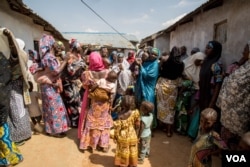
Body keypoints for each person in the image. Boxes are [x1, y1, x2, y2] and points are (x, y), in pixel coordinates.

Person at [216, 41, 250, 150]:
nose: (242, 52)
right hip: (229, 117)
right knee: (226, 144)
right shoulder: (245, 66)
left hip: (240, 119)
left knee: (236, 147)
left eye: (245, 50)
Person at [3, 29, 32, 146]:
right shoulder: (17, 58)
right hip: (16, 87)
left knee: (19, 110)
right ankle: (21, 135)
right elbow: (15, 52)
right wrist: (10, 37)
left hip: (16, 86)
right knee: (18, 110)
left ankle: (21, 134)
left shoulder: (19, 58)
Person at [78, 51, 112, 153]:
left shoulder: (86, 74)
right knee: (103, 121)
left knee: (91, 121)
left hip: (92, 101)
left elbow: (85, 86)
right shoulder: (108, 72)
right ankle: (103, 144)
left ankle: (89, 143)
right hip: (104, 101)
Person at [38, 34, 70, 138]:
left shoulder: (46, 57)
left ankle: (50, 129)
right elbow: (56, 72)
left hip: (46, 86)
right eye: (54, 42)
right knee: (55, 108)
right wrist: (65, 60)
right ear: (50, 44)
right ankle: (56, 131)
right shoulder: (50, 58)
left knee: (49, 108)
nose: (56, 44)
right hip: (50, 87)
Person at [0, 27, 24, 166]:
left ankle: (7, 157)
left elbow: (14, 58)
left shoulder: (2, 59)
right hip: (4, 96)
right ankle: (9, 155)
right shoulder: (2, 59)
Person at [156, 46, 184, 137]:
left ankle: (162, 126)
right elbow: (180, 76)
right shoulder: (181, 64)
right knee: (171, 110)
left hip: (162, 85)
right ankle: (169, 130)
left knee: (161, 107)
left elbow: (160, 71)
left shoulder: (166, 61)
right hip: (173, 88)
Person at [60, 38, 86, 128]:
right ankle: (73, 121)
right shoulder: (69, 56)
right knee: (71, 102)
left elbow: (82, 70)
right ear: (75, 46)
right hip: (68, 84)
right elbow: (71, 71)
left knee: (77, 102)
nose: (81, 48)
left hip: (76, 83)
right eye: (79, 46)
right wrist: (80, 65)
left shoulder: (79, 56)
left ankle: (77, 120)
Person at [134, 46, 159, 128]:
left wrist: (141, 65)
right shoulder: (146, 62)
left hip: (148, 88)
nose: (153, 56)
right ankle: (141, 124)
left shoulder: (155, 65)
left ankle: (150, 126)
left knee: (148, 105)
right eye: (152, 54)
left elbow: (148, 76)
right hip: (141, 86)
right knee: (141, 105)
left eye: (155, 55)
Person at [113, 95, 140, 167]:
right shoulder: (136, 112)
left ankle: (123, 164)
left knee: (122, 150)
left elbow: (117, 128)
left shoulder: (120, 114)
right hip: (132, 134)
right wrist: (137, 136)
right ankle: (131, 164)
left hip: (122, 135)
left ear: (123, 104)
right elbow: (137, 125)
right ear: (132, 104)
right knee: (132, 150)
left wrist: (115, 137)